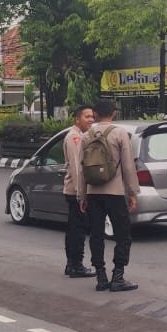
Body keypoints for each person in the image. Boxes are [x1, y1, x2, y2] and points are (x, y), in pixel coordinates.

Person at [79, 100, 140, 292]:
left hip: (93, 194)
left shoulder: (86, 135)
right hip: (114, 193)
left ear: (95, 114)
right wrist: (132, 192)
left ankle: (101, 277)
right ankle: (118, 276)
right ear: (113, 114)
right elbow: (129, 166)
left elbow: (82, 169)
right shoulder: (120, 133)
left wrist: (82, 195)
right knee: (123, 235)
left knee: (96, 235)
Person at [60, 105, 97, 278]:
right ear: (77, 119)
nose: (91, 119)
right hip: (76, 191)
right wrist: (81, 194)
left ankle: (72, 264)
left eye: (92, 117)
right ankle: (76, 265)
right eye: (87, 116)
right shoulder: (74, 137)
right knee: (77, 230)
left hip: (76, 191)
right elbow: (76, 168)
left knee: (75, 228)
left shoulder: (81, 136)